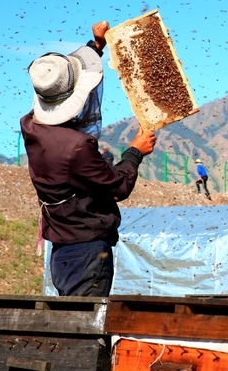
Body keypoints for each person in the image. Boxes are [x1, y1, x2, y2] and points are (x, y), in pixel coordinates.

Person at [20, 20, 157, 297]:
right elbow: (117, 186)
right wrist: (135, 151)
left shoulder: (30, 125)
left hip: (62, 252)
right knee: (85, 330)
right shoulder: (76, 148)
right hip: (87, 254)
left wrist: (96, 45)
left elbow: (59, 80)